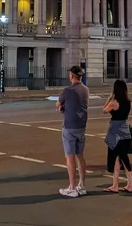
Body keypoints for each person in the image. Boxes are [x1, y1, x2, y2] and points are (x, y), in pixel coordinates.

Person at [56, 65, 89, 198]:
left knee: (69, 157)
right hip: (82, 126)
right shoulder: (85, 89)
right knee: (79, 155)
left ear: (71, 76)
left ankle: (72, 187)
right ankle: (81, 186)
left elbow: (57, 104)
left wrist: (62, 106)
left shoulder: (67, 90)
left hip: (69, 126)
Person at [102, 79, 132, 193]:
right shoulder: (128, 101)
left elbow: (104, 110)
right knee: (124, 159)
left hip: (115, 132)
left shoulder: (114, 102)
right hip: (125, 130)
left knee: (115, 159)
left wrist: (110, 98)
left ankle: (116, 185)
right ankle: (128, 184)